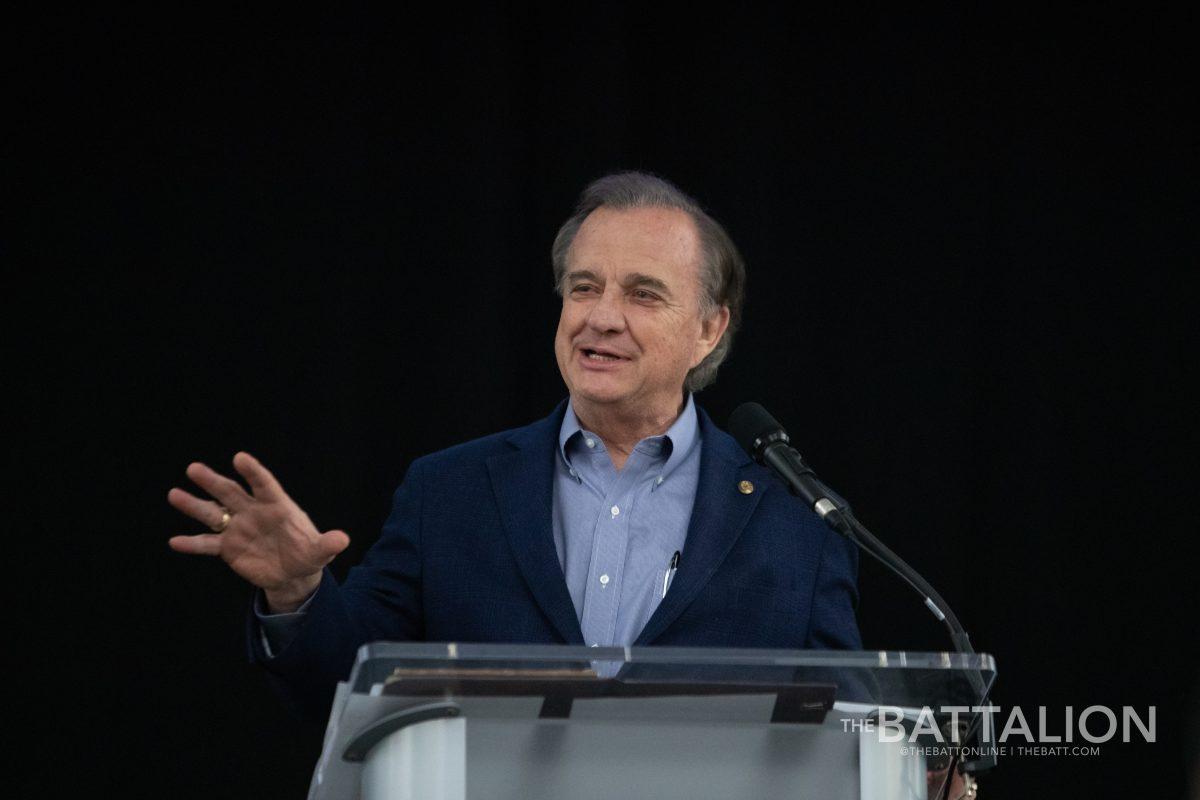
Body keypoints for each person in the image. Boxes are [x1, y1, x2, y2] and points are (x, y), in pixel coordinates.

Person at [167, 171, 862, 720]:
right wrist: (298, 594)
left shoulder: (797, 523)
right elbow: (348, 690)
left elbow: (855, 723)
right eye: (583, 287)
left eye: (644, 295)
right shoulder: (451, 492)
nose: (601, 317)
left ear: (709, 330)